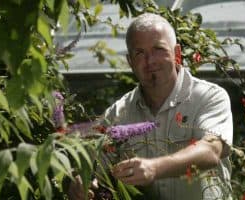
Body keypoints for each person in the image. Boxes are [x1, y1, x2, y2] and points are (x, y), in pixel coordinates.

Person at [68, 13, 233, 200]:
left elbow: (211, 151)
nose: (150, 61)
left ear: (176, 54)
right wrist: (83, 181)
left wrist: (154, 168)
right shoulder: (118, 113)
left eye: (159, 49)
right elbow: (93, 165)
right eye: (140, 53)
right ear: (130, 62)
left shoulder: (208, 96)